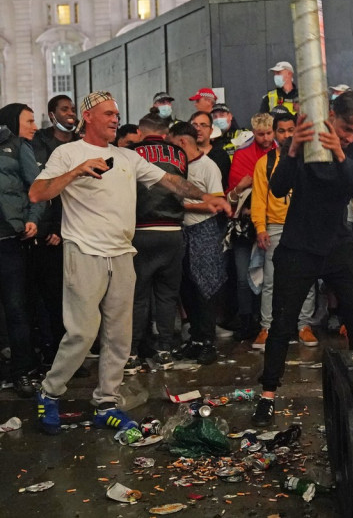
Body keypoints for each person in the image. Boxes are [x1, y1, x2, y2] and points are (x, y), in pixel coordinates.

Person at [29, 91, 230, 435]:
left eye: (117, 113)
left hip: (123, 253)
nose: (114, 119)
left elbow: (170, 181)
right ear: (88, 117)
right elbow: (38, 193)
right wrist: (76, 171)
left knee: (120, 336)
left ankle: (106, 401)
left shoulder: (126, 156)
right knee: (82, 332)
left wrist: (208, 196)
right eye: (107, 113)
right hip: (85, 252)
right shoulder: (68, 153)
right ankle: (49, 393)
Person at [251, 91, 353, 427]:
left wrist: (338, 151)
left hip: (339, 244)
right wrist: (292, 150)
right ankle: (267, 395)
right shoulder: (301, 144)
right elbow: (277, 188)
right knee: (281, 324)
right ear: (331, 115)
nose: (350, 136)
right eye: (346, 128)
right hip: (299, 244)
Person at [250, 111, 319, 350]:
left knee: (307, 278)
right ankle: (267, 327)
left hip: (305, 226)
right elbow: (258, 199)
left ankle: (304, 325)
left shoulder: (310, 158)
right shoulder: (266, 162)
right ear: (275, 133)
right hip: (276, 226)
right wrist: (261, 228)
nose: (287, 134)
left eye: (291, 130)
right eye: (282, 130)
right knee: (271, 280)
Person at [125, 111, 188, 374]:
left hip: (140, 230)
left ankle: (132, 353)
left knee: (137, 296)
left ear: (141, 131)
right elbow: (183, 187)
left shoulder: (130, 153)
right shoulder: (179, 154)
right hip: (172, 230)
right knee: (167, 295)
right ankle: (165, 351)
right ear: (165, 133)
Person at [170, 121, 228, 366]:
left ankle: (207, 341)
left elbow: (216, 204)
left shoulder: (208, 166)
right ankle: (194, 339)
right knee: (187, 288)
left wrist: (183, 206)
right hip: (181, 232)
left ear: (182, 142)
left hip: (202, 230)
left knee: (205, 287)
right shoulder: (178, 168)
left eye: (171, 144)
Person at [29, 95, 78, 367]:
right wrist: (51, 227)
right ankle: (54, 353)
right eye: (64, 109)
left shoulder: (83, 142)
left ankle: (76, 353)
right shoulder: (40, 145)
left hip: (80, 230)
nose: (70, 114)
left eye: (72, 109)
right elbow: (43, 188)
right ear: (52, 114)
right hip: (53, 234)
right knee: (53, 297)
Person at [0, 111, 44, 397]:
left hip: (8, 239)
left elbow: (38, 188)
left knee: (16, 309)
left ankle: (23, 371)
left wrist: (33, 219)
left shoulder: (15, 145)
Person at [226, 113, 278, 342]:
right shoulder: (242, 155)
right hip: (245, 226)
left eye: (269, 133)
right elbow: (231, 195)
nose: (265, 138)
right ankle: (247, 319)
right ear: (253, 132)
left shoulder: (282, 155)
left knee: (270, 276)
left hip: (273, 222)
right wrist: (240, 187)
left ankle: (265, 320)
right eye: (260, 134)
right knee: (242, 276)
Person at [190, 110, 231, 190]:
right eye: (194, 125)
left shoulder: (221, 156)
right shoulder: (183, 154)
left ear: (211, 130)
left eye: (203, 125)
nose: (198, 129)